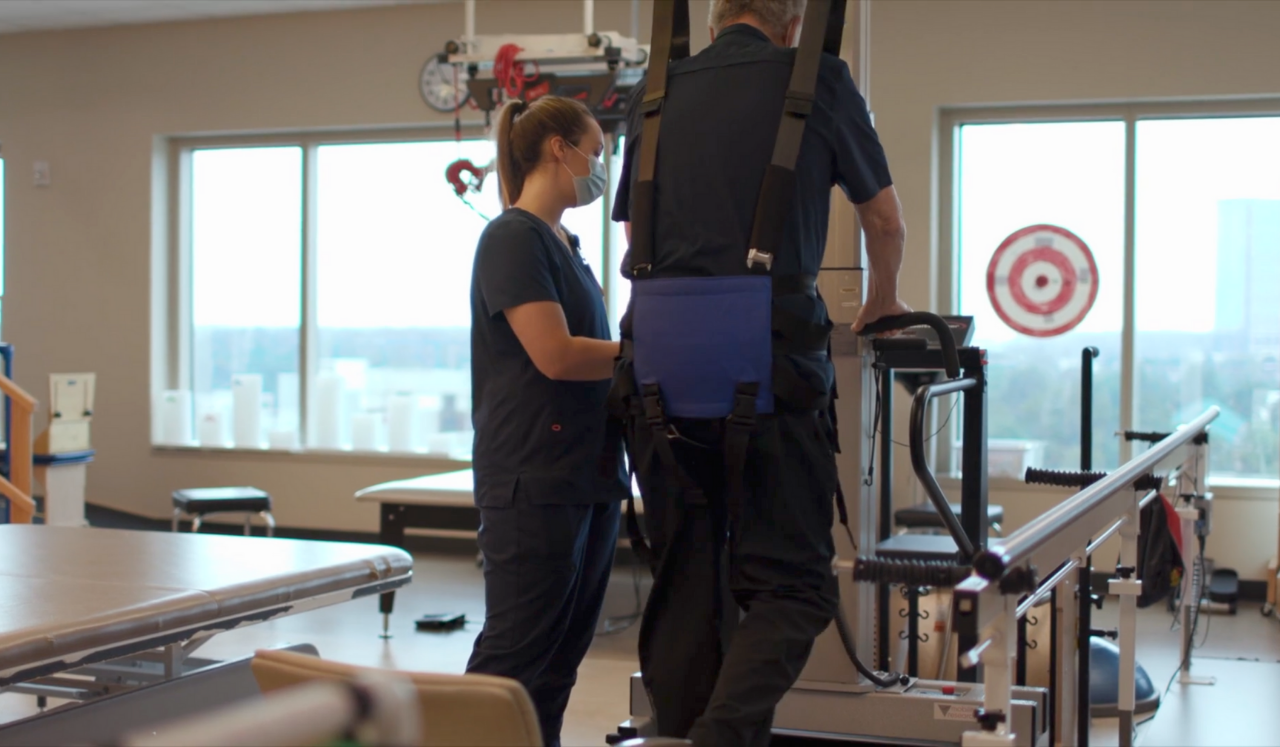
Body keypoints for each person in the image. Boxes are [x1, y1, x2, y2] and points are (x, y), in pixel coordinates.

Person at [610, 0, 911, 744]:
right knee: (796, 584)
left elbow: (632, 226)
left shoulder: (655, 92)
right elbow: (885, 220)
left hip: (654, 371)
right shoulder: (821, 82)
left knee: (686, 576)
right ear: (791, 25)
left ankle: (676, 733)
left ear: (714, 25)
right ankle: (724, 735)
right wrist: (883, 299)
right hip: (771, 367)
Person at [466, 95, 629, 747]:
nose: (600, 167)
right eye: (595, 150)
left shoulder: (567, 244)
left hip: (586, 476)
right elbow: (557, 355)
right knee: (514, 660)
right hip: (532, 480)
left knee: (559, 663)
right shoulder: (512, 238)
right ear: (559, 149)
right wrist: (651, 352)